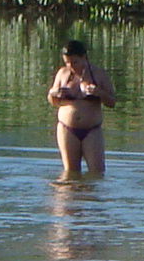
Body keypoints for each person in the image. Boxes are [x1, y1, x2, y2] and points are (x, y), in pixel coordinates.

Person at [46, 39, 116, 176]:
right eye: (67, 62)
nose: (71, 66)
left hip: (92, 130)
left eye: (75, 62)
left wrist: (98, 93)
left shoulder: (99, 74)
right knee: (70, 173)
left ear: (84, 57)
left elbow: (112, 102)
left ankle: (89, 197)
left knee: (97, 172)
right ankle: (71, 196)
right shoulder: (62, 74)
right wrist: (56, 94)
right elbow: (52, 101)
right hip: (67, 128)